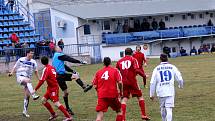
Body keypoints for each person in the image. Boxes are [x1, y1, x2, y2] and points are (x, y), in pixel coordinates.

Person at [52, 46, 93, 115]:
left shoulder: (56, 57)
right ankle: (67, 108)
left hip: (62, 75)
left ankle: (84, 87)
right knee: (66, 93)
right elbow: (69, 59)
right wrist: (80, 62)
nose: (60, 48)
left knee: (75, 76)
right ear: (56, 49)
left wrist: (72, 71)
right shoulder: (58, 55)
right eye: (59, 47)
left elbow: (64, 66)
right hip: (59, 77)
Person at [116, 48, 150, 121]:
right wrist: (144, 75)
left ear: (125, 53)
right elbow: (137, 70)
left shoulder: (119, 61)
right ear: (131, 53)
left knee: (124, 99)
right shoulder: (133, 59)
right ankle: (143, 115)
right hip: (132, 81)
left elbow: (117, 72)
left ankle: (123, 119)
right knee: (140, 97)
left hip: (123, 82)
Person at [34, 56, 73, 121]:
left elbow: (42, 81)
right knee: (43, 101)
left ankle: (68, 117)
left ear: (41, 62)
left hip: (53, 89)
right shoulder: (52, 67)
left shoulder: (46, 69)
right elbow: (55, 75)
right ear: (48, 61)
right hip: (50, 88)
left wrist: (35, 89)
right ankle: (53, 114)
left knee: (56, 103)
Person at [150, 54, 184, 121]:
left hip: (160, 91)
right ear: (167, 59)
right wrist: (181, 85)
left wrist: (151, 94)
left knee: (162, 108)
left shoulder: (156, 68)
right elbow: (180, 78)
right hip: (170, 90)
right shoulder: (172, 67)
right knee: (169, 109)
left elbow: (152, 82)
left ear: (160, 59)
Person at [8, 49, 40, 117]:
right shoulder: (21, 59)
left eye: (33, 53)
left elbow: (36, 71)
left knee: (27, 96)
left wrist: (39, 79)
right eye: (31, 53)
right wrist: (11, 73)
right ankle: (34, 95)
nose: (32, 54)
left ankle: (24, 111)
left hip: (27, 79)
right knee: (28, 81)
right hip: (20, 77)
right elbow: (15, 66)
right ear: (27, 53)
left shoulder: (33, 62)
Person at [92, 57, 123, 121]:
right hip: (112, 95)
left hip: (102, 95)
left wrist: (99, 91)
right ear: (110, 62)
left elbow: (95, 85)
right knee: (119, 111)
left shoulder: (98, 72)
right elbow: (120, 82)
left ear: (103, 63)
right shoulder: (115, 71)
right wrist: (121, 92)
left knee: (99, 115)